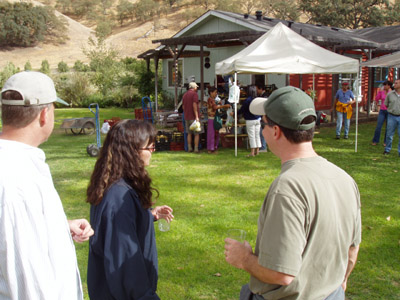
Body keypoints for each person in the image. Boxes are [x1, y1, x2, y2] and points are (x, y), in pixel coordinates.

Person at [224, 86, 361, 300]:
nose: (262, 130)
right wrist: (340, 282)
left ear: (276, 131)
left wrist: (244, 259)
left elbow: (281, 273)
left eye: (264, 124)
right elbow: (352, 249)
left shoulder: (287, 188)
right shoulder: (345, 179)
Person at [0, 71, 94, 299]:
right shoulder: (15, 178)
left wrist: (60, 225)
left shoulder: (17, 162)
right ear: (44, 114)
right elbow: (25, 276)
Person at [86, 120, 174, 299]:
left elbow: (121, 230)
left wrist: (149, 216)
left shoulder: (116, 185)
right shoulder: (118, 198)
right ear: (132, 152)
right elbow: (125, 266)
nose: (153, 151)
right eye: (149, 147)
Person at [235, 85, 261, 157]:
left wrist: (235, 113)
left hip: (250, 119)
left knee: (251, 136)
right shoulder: (257, 99)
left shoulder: (247, 100)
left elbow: (242, 110)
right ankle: (257, 151)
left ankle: (252, 152)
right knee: (257, 135)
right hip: (258, 119)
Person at [207, 86, 230, 154]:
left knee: (216, 134)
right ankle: (210, 149)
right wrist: (224, 106)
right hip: (211, 118)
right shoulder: (210, 99)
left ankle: (214, 147)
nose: (216, 94)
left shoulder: (214, 100)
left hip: (215, 118)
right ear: (211, 93)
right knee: (211, 134)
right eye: (215, 92)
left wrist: (221, 105)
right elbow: (215, 107)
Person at [372, 81, 392, 146]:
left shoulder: (391, 93)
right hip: (382, 110)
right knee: (378, 126)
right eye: (384, 85)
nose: (384, 86)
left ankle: (386, 142)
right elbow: (377, 98)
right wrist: (379, 92)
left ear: (389, 86)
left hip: (389, 111)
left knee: (388, 127)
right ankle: (375, 140)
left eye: (385, 85)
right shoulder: (382, 92)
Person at [183, 81, 201, 153]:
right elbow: (194, 105)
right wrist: (196, 116)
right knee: (196, 133)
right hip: (193, 117)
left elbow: (183, 107)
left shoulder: (184, 95)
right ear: (194, 87)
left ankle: (189, 148)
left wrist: (186, 114)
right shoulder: (194, 94)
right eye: (196, 87)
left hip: (187, 116)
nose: (197, 88)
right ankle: (196, 149)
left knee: (189, 133)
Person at [383, 79, 400, 156]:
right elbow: (386, 104)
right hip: (391, 116)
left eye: (396, 83)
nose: (394, 84)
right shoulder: (390, 94)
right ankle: (387, 149)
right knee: (389, 134)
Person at [256, 84, 268, 152]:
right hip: (263, 116)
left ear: (261, 89)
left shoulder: (265, 96)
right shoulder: (262, 96)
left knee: (262, 132)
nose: (256, 91)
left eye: (257, 89)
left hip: (264, 116)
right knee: (261, 132)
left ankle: (263, 147)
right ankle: (263, 146)